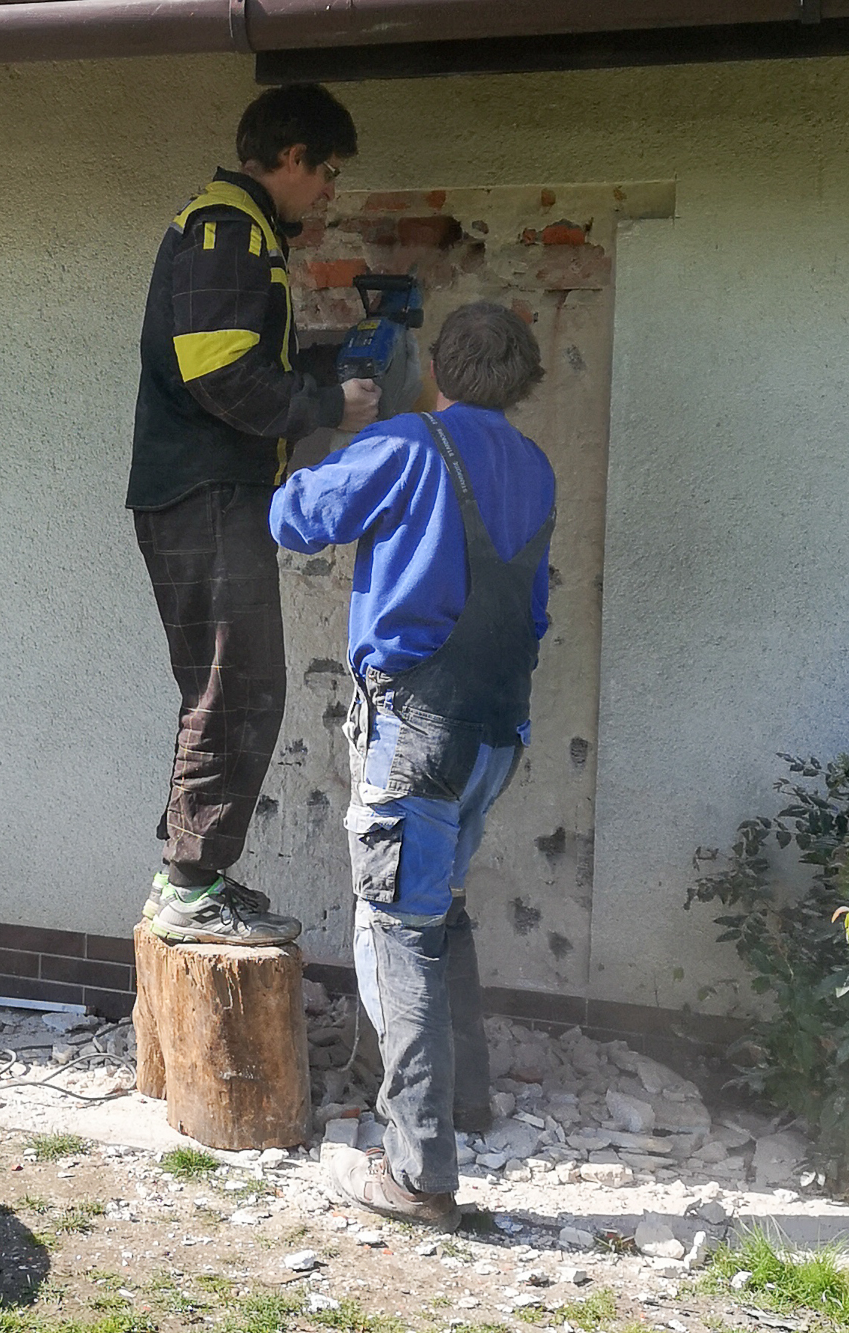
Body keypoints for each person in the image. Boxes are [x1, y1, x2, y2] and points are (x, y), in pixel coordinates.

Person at [266, 302, 556, 1229]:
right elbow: (534, 607)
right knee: (441, 909)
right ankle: (463, 1102)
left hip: (415, 725)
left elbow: (294, 520)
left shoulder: (405, 444)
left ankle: (419, 1174)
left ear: (436, 368)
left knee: (398, 931)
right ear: (523, 381)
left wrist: (319, 431)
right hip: (497, 727)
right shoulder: (535, 465)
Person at [129, 83, 381, 947]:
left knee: (231, 684)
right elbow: (222, 377)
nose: (331, 190)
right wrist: (327, 404)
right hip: (206, 491)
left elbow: (238, 358)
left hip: (207, 492)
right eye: (328, 171)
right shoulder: (228, 229)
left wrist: (327, 363)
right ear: (292, 156)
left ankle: (190, 875)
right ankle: (191, 885)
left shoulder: (238, 230)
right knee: (235, 685)